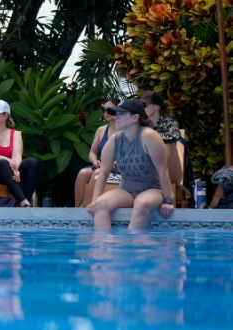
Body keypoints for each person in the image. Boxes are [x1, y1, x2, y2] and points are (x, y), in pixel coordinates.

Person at [88, 99, 174, 230]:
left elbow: (163, 170)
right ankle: (102, 247)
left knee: (142, 203)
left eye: (121, 114)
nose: (116, 117)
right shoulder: (114, 140)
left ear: (135, 117)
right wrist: (94, 201)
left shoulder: (149, 136)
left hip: (152, 189)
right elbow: (104, 171)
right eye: (116, 114)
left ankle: (133, 245)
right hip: (126, 190)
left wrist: (168, 201)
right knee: (100, 205)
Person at [74, 99, 119, 207]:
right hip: (101, 165)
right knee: (83, 173)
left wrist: (111, 163)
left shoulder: (126, 130)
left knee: (97, 173)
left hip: (117, 167)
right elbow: (93, 152)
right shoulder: (101, 130)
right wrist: (94, 161)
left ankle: (85, 206)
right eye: (104, 110)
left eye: (110, 109)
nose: (106, 112)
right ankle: (77, 208)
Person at [140, 90, 183, 186]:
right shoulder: (139, 123)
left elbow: (175, 135)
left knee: (167, 142)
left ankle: (152, 172)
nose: (141, 107)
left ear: (156, 107)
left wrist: (152, 137)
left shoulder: (169, 122)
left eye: (144, 104)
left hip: (169, 170)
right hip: (146, 169)